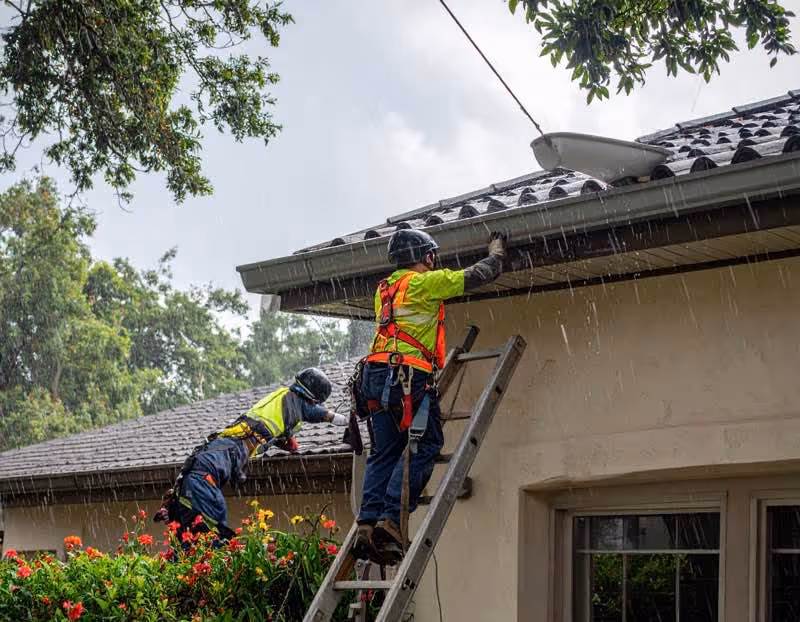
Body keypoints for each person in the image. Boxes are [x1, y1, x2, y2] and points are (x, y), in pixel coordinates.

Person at [353, 228, 506, 563]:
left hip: (375, 379)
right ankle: (392, 521)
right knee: (425, 444)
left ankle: (367, 523)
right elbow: (476, 275)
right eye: (431, 257)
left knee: (385, 452)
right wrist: (496, 254)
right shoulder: (423, 283)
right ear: (425, 256)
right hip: (406, 378)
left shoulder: (385, 289)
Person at [155, 367, 348, 542]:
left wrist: (288, 443)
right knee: (214, 531)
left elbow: (280, 436)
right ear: (313, 398)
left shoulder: (280, 404)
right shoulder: (295, 400)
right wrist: (343, 419)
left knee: (191, 539)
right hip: (209, 467)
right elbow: (315, 412)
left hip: (203, 464)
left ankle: (178, 511)